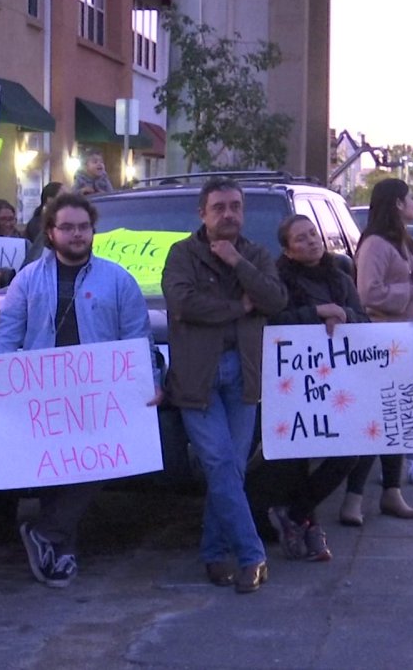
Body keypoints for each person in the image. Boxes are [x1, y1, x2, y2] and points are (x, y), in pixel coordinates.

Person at [0, 192, 160, 588]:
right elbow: (8, 335)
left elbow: (138, 337)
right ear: (51, 232)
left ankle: (45, 533)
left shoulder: (119, 279)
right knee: (55, 471)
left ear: (93, 229)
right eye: (67, 227)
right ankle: (59, 554)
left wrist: (150, 382)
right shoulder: (27, 280)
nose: (77, 234)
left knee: (96, 464)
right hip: (43, 394)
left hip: (100, 394)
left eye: (83, 227)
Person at [161, 177, 287, 594]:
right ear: (202, 213)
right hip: (197, 377)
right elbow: (182, 304)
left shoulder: (255, 254)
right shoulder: (182, 254)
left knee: (230, 467)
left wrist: (237, 262)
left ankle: (214, 553)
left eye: (235, 206)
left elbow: (274, 300)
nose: (228, 214)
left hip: (244, 374)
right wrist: (237, 308)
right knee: (218, 463)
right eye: (219, 207)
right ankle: (253, 557)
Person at [340, 178, 413, 526]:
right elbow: (369, 294)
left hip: (410, 340)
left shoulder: (406, 241)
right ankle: (353, 497)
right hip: (382, 343)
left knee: (398, 418)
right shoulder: (376, 245)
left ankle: (391, 491)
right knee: (376, 421)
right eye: (409, 197)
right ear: (397, 203)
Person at [265, 214, 364, 562]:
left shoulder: (340, 276)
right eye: (301, 238)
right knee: (298, 460)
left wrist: (346, 316)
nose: (311, 241)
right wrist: (318, 312)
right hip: (295, 384)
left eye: (313, 234)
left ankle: (293, 515)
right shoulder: (279, 280)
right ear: (288, 251)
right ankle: (309, 530)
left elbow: (362, 318)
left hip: (340, 383)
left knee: (349, 451)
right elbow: (275, 322)